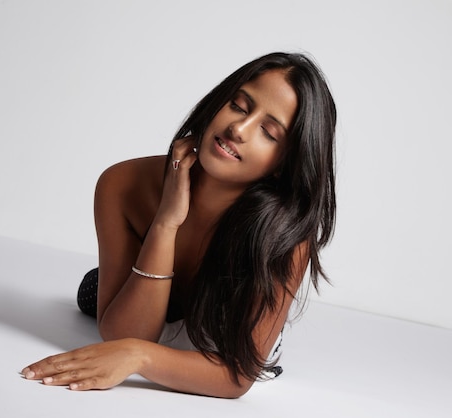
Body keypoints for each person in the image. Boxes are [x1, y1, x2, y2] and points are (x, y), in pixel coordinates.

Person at [21, 51, 337, 398]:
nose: (239, 129)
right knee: (92, 293)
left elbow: (235, 377)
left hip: (221, 322)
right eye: (239, 106)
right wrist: (166, 221)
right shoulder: (120, 183)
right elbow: (122, 334)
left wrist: (139, 357)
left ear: (283, 164)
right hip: (149, 295)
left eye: (268, 132)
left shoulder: (287, 236)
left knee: (233, 345)